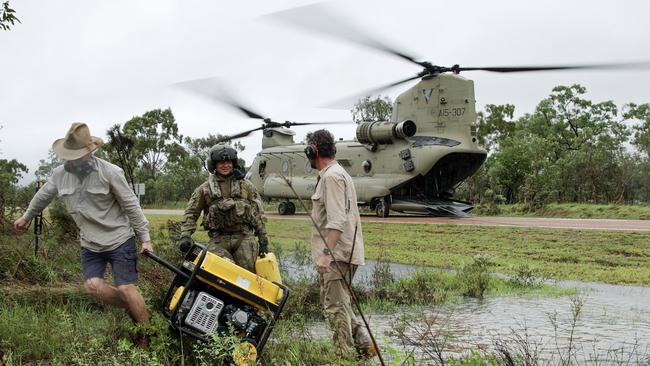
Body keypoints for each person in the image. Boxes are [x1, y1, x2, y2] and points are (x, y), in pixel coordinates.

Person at [14, 123, 153, 329]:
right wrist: (26, 217)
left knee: (125, 288)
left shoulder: (110, 172)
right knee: (92, 287)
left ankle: (147, 334)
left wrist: (145, 239)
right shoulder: (59, 174)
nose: (73, 160)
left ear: (89, 152)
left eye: (78, 155)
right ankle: (135, 307)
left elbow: (131, 204)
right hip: (90, 244)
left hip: (119, 239)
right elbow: (43, 195)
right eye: (70, 155)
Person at [304, 129, 376, 359]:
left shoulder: (332, 177)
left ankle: (343, 356)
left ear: (312, 151)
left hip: (337, 256)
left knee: (334, 307)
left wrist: (326, 255)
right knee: (342, 304)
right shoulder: (334, 174)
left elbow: (337, 221)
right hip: (340, 253)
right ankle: (365, 346)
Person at [178, 144, 269, 272]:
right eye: (221, 162)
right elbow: (191, 213)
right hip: (218, 240)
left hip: (244, 238)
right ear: (214, 164)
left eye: (228, 162)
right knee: (224, 273)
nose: (225, 165)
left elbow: (258, 213)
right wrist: (185, 235)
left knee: (246, 277)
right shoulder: (204, 189)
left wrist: (263, 239)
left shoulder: (246, 186)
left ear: (233, 163)